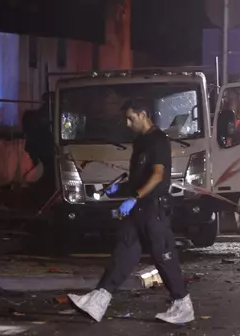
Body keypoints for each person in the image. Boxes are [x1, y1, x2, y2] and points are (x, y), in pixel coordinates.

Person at [68, 99, 194, 324]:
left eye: (131, 118)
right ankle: (98, 300)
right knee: (124, 253)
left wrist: (133, 197)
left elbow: (157, 175)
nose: (127, 123)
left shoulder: (158, 141)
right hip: (139, 207)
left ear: (143, 114)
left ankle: (182, 303)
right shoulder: (140, 142)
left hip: (154, 208)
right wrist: (121, 188)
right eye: (125, 118)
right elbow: (140, 177)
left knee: (163, 255)